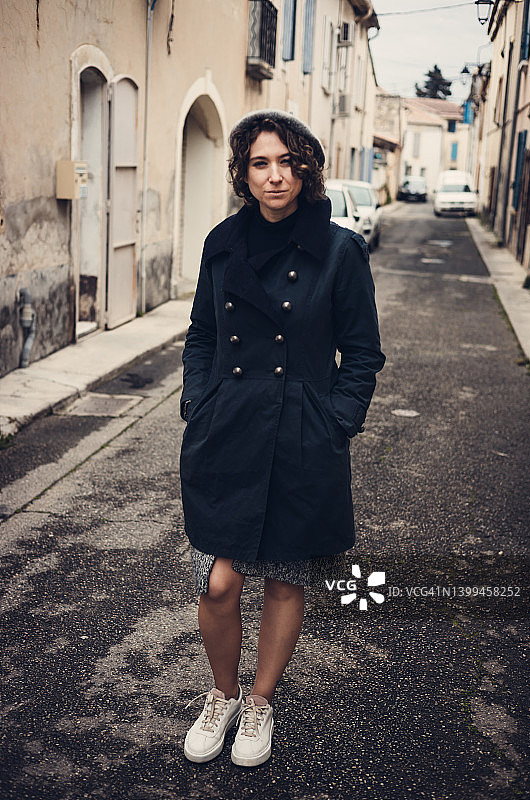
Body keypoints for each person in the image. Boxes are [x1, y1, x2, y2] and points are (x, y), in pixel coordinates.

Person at [179, 109, 385, 767]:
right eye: (261, 162)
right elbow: (204, 334)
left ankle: (260, 702)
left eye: (288, 162)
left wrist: (336, 420)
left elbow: (361, 353)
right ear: (242, 172)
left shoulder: (339, 250)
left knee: (284, 581)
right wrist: (197, 399)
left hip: (300, 435)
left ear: (306, 170)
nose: (276, 176)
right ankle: (222, 693)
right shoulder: (221, 242)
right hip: (227, 429)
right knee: (217, 583)